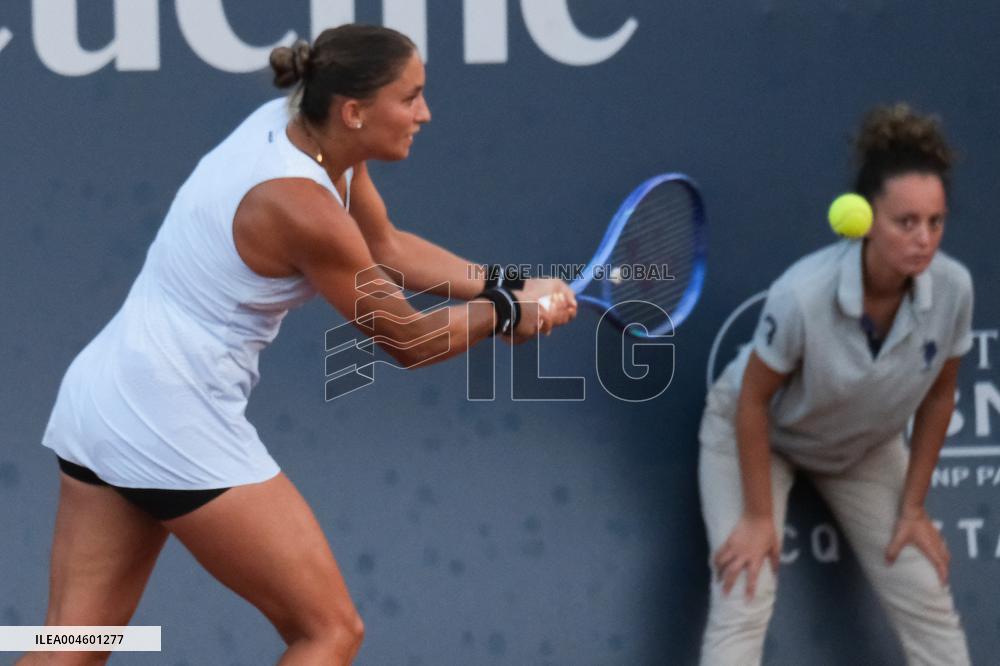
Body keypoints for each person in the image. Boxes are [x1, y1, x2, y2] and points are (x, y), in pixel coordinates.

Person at [22, 24, 577, 666]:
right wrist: (505, 313)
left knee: (73, 645)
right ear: (354, 111)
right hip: (171, 418)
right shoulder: (299, 206)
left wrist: (508, 284)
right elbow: (405, 337)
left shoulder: (303, 131)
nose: (425, 113)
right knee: (329, 631)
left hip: (105, 401)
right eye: (412, 97)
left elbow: (388, 249)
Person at [698, 103, 973, 665]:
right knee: (745, 593)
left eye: (935, 222)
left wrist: (914, 507)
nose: (924, 239)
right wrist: (756, 519)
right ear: (867, 219)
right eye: (906, 222)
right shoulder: (803, 294)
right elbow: (752, 401)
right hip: (757, 436)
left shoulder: (954, 289)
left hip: (860, 447)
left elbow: (941, 395)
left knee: (926, 589)